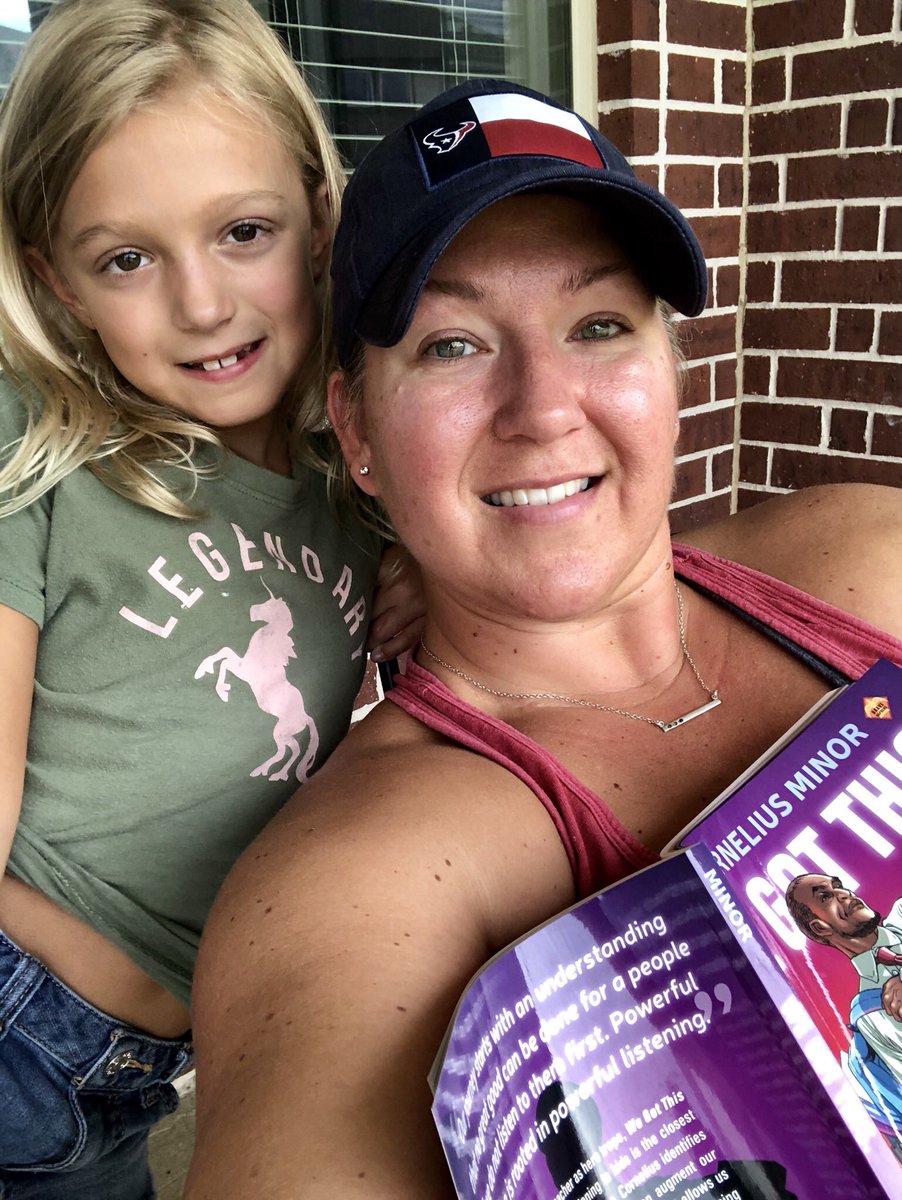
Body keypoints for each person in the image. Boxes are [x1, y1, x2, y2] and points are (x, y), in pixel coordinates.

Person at [185, 79, 902, 1198]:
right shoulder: (367, 877)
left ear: (671, 374)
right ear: (359, 430)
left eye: (598, 325)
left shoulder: (867, 559)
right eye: (453, 346)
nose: (543, 408)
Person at [0, 2, 423, 1196]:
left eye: (243, 231)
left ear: (320, 218)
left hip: (144, 1078)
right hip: (19, 1038)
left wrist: (420, 573)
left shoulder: (355, 479)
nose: (200, 304)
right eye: (126, 257)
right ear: (59, 283)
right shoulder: (39, 446)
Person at [786, 874, 902, 1152]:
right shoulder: (871, 1014)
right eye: (825, 896)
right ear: (820, 926)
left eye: (838, 886)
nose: (844, 893)